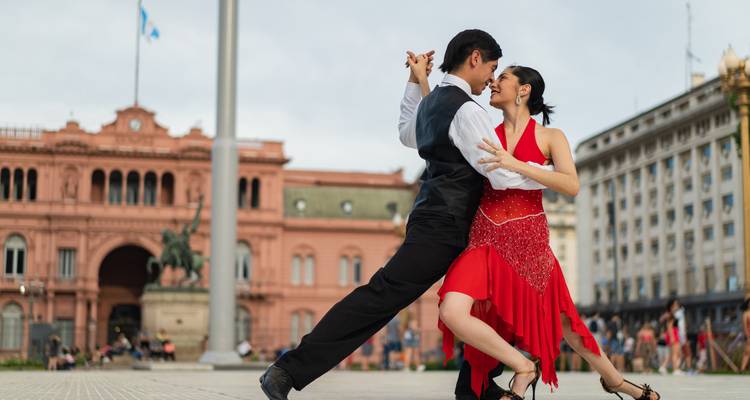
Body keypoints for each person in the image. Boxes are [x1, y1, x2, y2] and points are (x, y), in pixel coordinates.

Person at [260, 29, 526, 400]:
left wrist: (414, 83)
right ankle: (287, 370)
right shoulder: (467, 110)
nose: (492, 79)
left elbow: (406, 134)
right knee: (382, 296)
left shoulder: (434, 103)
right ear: (475, 58)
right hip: (447, 224)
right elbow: (498, 172)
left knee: (493, 296)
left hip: (438, 219)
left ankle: (475, 387)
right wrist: (549, 176)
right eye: (492, 67)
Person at [406, 57, 660, 400]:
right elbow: (439, 120)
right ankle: (523, 367)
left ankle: (616, 382)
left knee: (568, 325)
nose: (494, 82)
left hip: (529, 244)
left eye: (504, 77)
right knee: (452, 310)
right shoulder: (483, 132)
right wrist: (422, 81)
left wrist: (517, 164)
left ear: (523, 90)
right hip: (484, 239)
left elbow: (571, 185)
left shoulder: (551, 137)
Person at [741, 298, 750, 372]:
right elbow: (745, 327)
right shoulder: (745, 314)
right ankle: (742, 369)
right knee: (747, 352)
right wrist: (748, 337)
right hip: (749, 335)